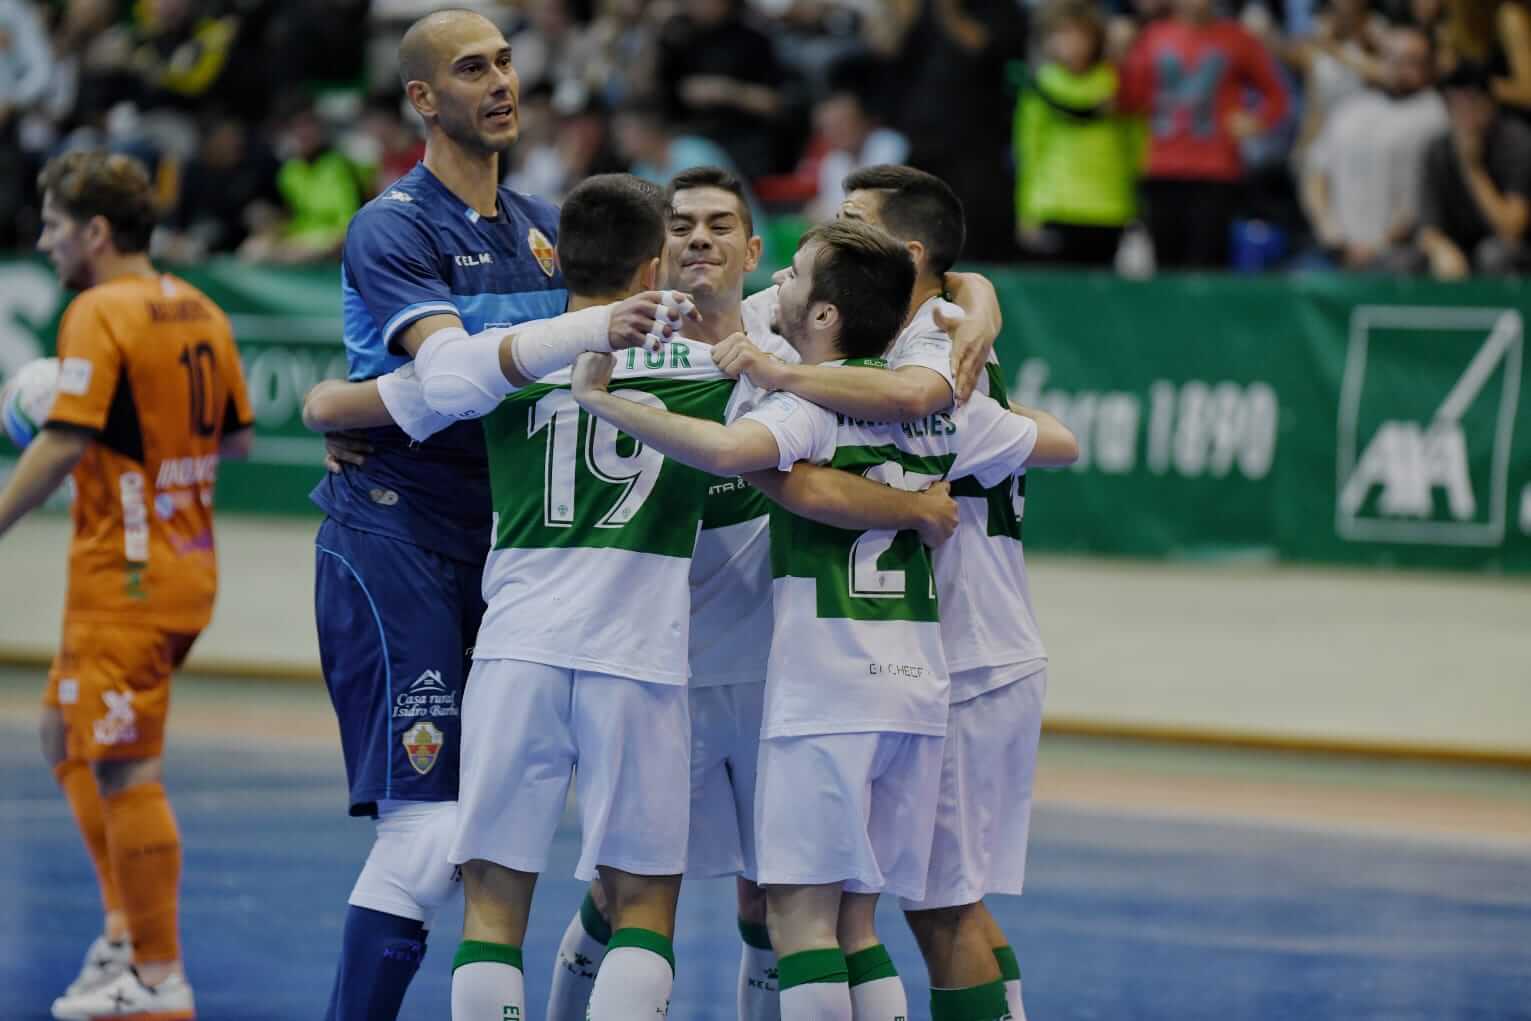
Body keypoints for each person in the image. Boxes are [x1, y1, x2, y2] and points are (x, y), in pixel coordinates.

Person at [571, 219, 1080, 1020]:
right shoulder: (945, 406)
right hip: (915, 695)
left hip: (827, 690)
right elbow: (1052, 440)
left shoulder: (805, 408)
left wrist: (604, 400)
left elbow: (727, 451)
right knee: (858, 920)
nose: (782, 279)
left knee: (800, 919)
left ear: (823, 317)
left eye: (797, 274)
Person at [700, 163, 1061, 1020]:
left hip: (961, 646)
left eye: (849, 220)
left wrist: (780, 381)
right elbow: (1051, 437)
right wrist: (978, 294)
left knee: (933, 904)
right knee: (929, 897)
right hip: (945, 648)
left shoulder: (925, 365)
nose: (830, 233)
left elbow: (942, 413)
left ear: (900, 252)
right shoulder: (929, 344)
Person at [299, 12, 568, 1021]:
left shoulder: (540, 227)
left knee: (478, 834)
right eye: (470, 69)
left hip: (496, 548)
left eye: (504, 62)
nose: (499, 82)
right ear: (422, 99)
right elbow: (451, 373)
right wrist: (573, 324)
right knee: (423, 835)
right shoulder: (395, 224)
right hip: (392, 535)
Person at [0, 150, 254, 1020]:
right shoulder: (202, 307)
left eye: (55, 226)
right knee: (62, 733)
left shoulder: (96, 311)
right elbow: (236, 442)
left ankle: (157, 972)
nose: (44, 242)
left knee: (124, 766)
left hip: (130, 578)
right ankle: (124, 929)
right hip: (177, 566)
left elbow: (64, 440)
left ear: (96, 232)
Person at [1120, 0, 1290, 268]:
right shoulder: (1153, 37)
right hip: (1163, 167)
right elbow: (1130, 99)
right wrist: (1119, 58)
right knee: (1166, 263)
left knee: (1208, 263)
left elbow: (1278, 95)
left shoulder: (1236, 38)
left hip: (1216, 170)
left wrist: (1256, 121)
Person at [1300, 23, 1446, 269]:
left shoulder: (1436, 115)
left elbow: (1425, 197)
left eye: (1411, 61)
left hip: (1399, 250)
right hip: (1336, 247)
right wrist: (1329, 229)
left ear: (1430, 67)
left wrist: (1377, 246)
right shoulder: (1348, 109)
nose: (1398, 67)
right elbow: (1316, 175)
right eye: (1391, 57)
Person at [1016, 0, 1144, 266]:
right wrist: (1027, 211)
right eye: (1062, 35)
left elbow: (1136, 144)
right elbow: (1029, 151)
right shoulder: (1040, 87)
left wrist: (1137, 202)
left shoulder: (1117, 85)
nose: (1071, 44)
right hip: (1056, 206)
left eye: (1079, 35)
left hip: (1110, 209)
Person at [1413, 60, 1531, 277]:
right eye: (1453, 103)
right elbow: (1427, 228)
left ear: (1490, 103)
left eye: (1470, 101)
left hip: (1513, 249)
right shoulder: (1436, 149)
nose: (1462, 112)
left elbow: (1511, 229)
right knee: (1407, 261)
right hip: (1459, 246)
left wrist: (1473, 168)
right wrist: (1441, 249)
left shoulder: (1518, 143)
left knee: (1493, 254)